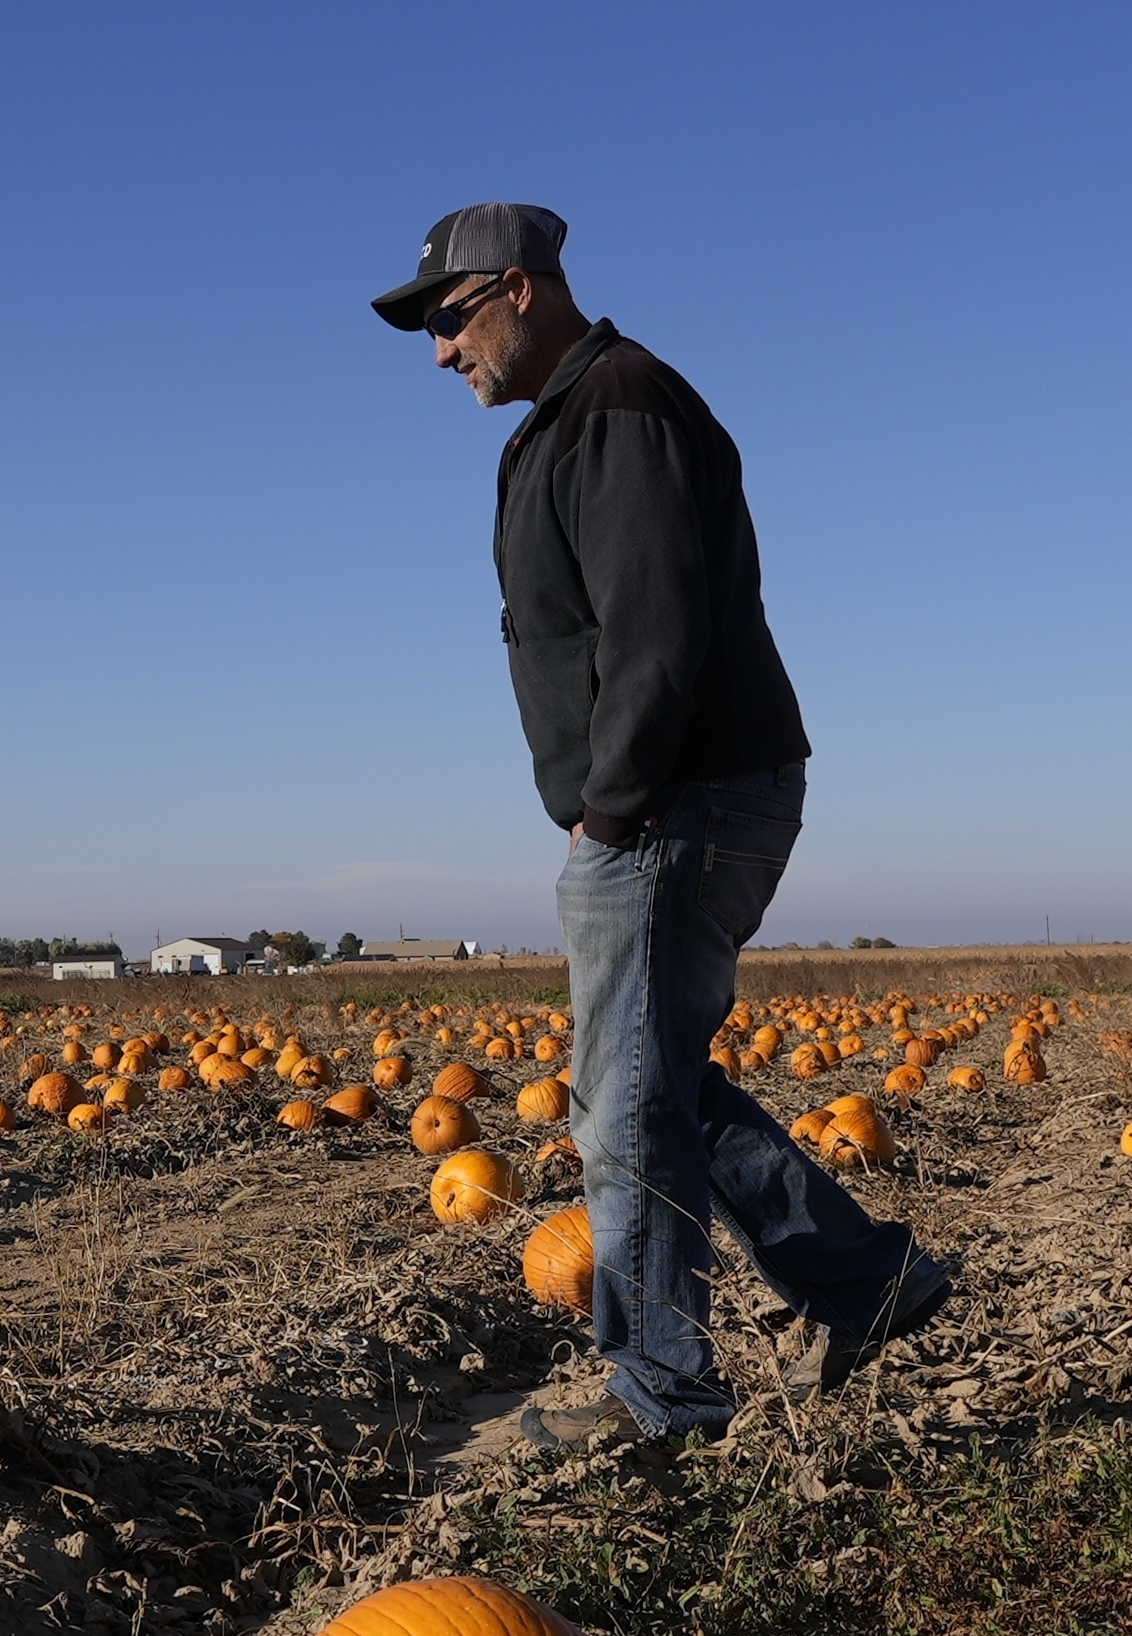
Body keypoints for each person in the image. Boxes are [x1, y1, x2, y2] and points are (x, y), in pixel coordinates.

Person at [371, 203, 952, 1452]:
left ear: (520, 290)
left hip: (677, 798)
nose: (435, 350)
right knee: (657, 1080)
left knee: (624, 1104)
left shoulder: (619, 407)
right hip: (681, 793)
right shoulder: (573, 418)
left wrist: (610, 804)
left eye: (447, 316)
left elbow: (657, 626)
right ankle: (864, 1281)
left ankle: (663, 1400)